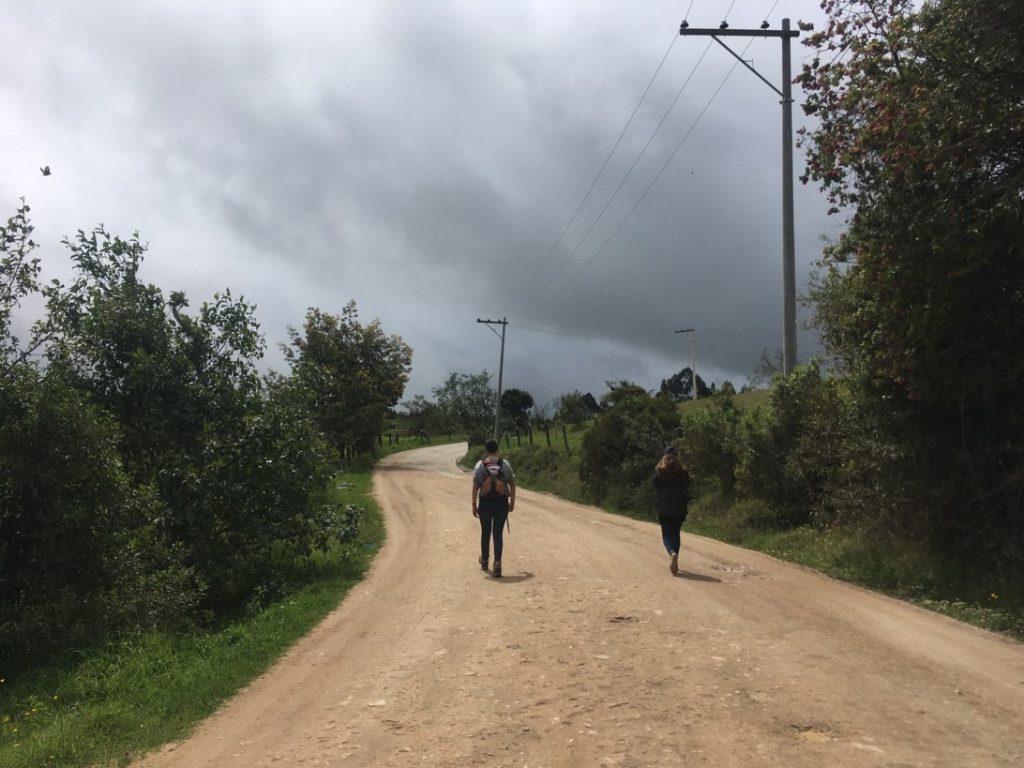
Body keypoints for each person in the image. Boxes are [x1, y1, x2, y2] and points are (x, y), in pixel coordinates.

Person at [472, 438, 516, 578]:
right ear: (497, 450)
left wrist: (474, 504)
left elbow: (475, 486)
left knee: (485, 532)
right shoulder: (505, 465)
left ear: (486, 450)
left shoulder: (480, 465)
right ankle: (497, 565)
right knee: (497, 534)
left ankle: (484, 560)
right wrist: (512, 501)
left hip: (485, 503)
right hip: (501, 503)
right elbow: (512, 483)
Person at [653, 446, 690, 575]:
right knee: (676, 533)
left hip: (664, 506)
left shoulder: (660, 470)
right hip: (679, 507)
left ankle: (672, 553)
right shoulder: (682, 471)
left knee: (667, 534)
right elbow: (687, 484)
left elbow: (654, 483)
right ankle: (675, 557)